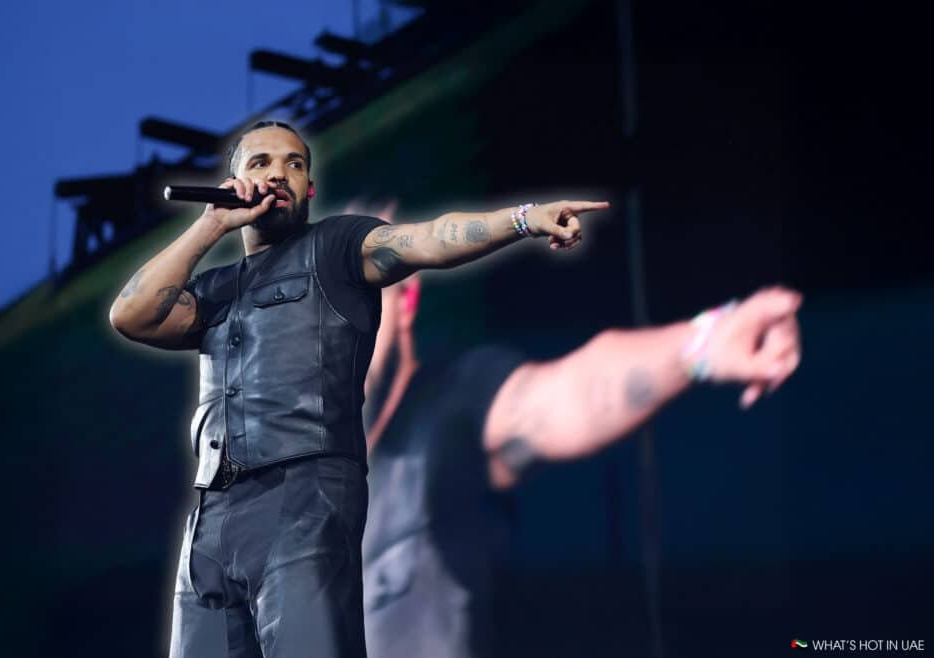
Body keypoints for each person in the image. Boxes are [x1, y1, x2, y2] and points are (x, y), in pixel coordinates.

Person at [107, 120, 610, 658]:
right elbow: (130, 315)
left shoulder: (338, 247)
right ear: (234, 182)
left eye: (295, 164)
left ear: (310, 189)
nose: (279, 172)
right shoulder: (210, 292)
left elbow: (431, 238)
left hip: (301, 498)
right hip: (211, 519)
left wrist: (524, 219)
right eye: (261, 163)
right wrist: (211, 225)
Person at [360, 210, 803, 658]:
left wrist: (703, 345)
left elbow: (575, 393)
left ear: (407, 297)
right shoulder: (298, 459)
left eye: (363, 287)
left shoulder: (453, 408)